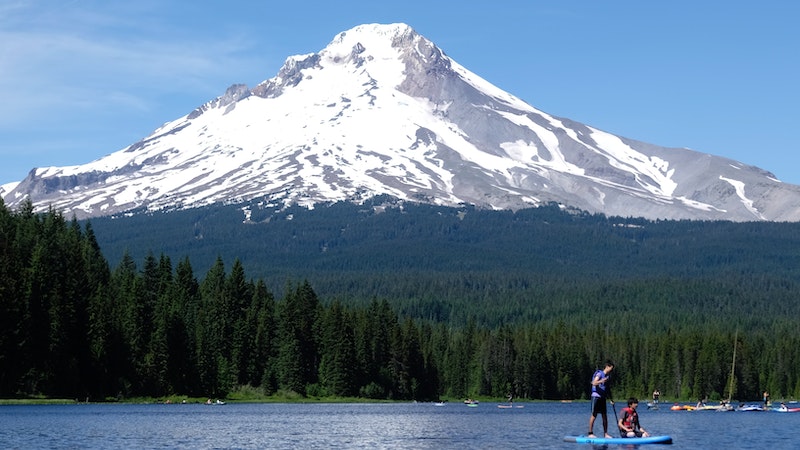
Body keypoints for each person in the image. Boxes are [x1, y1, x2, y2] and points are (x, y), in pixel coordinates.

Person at [588, 360, 615, 438]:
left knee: (604, 415)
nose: (611, 370)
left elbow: (607, 389)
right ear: (607, 367)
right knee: (594, 414)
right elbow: (593, 383)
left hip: (603, 397)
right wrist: (602, 381)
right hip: (596, 396)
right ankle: (590, 433)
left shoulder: (608, 377)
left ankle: (606, 433)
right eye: (611, 368)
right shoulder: (600, 374)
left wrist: (611, 399)